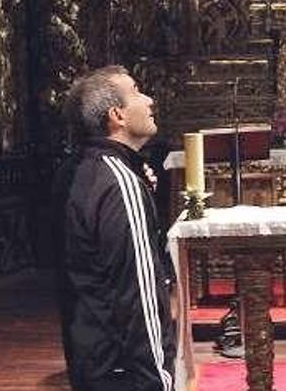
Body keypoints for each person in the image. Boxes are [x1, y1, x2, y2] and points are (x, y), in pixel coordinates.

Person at [51, 65, 176, 391]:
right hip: (126, 372)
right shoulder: (117, 184)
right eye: (136, 91)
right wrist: (158, 381)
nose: (149, 100)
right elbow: (139, 293)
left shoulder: (82, 171)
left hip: (94, 362)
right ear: (117, 115)